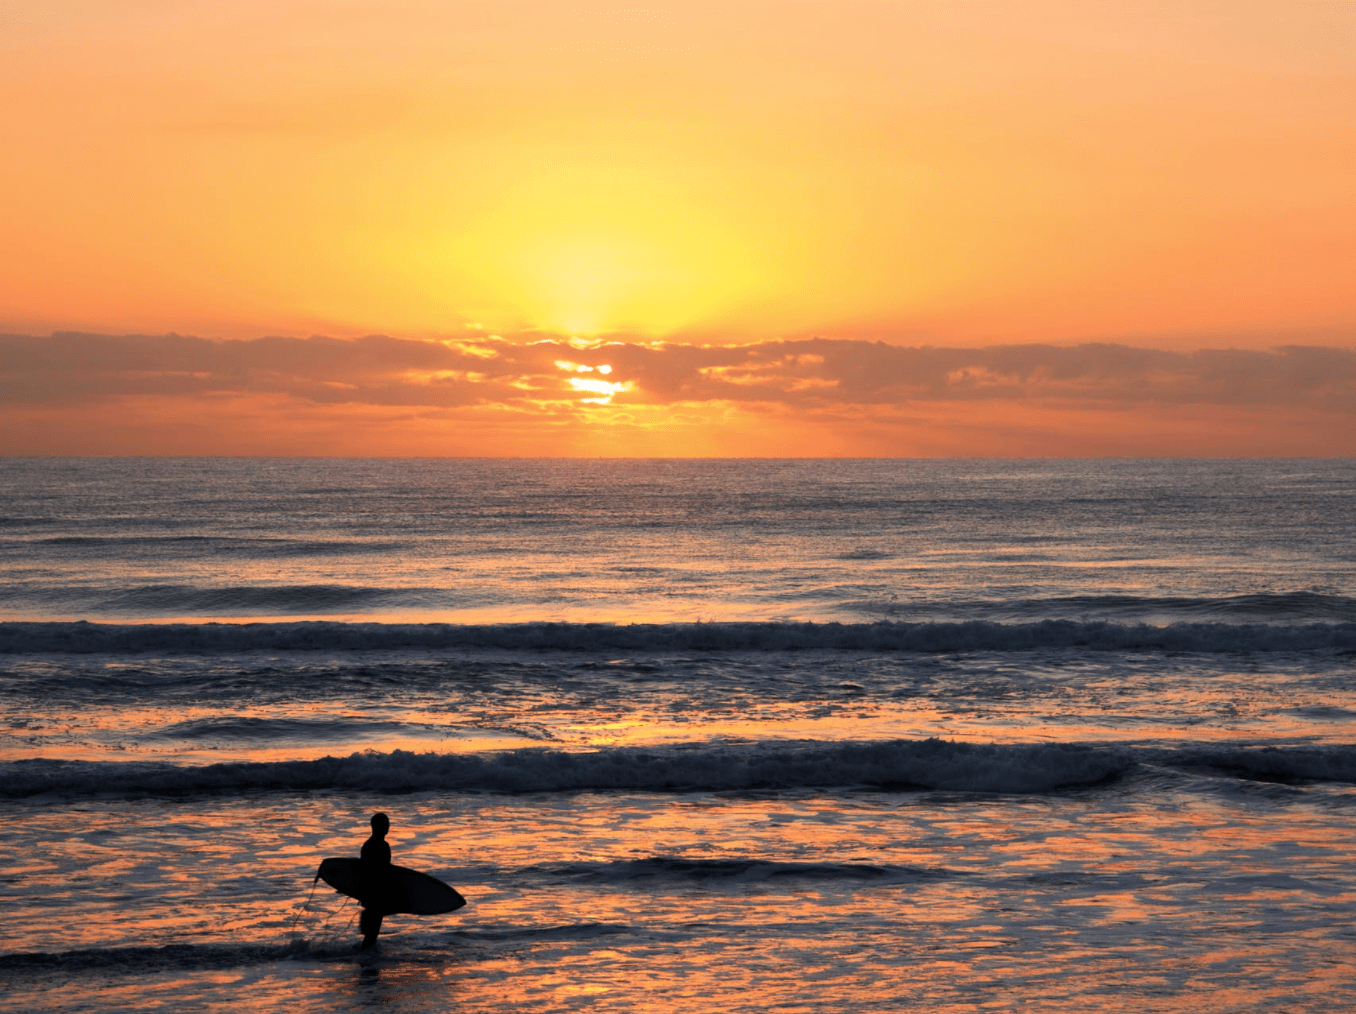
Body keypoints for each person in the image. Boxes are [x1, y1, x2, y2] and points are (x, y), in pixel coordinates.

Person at [359, 812, 392, 950]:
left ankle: (367, 958)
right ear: (374, 827)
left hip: (380, 893)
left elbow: (388, 871)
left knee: (374, 931)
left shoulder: (385, 846)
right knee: (371, 932)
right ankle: (365, 958)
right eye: (384, 825)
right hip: (372, 893)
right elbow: (365, 871)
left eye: (387, 825)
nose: (386, 827)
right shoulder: (369, 846)